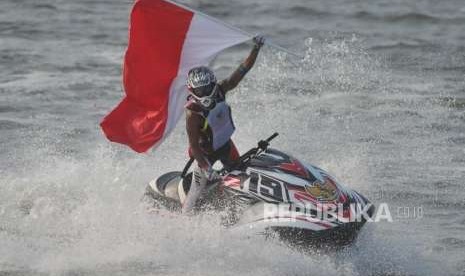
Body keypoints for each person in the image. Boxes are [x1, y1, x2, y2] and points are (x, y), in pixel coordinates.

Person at [182, 35, 265, 213]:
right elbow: (194, 146)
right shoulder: (193, 113)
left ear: (213, 84)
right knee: (195, 193)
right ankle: (184, 218)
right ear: (192, 91)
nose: (204, 93)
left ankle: (238, 207)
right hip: (204, 154)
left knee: (241, 178)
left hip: (226, 146)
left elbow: (242, 70)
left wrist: (256, 48)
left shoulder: (221, 89)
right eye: (199, 90)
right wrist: (206, 167)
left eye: (206, 88)